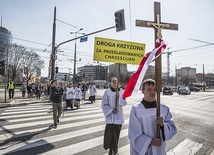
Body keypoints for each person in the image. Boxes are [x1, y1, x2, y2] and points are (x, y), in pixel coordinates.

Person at [128, 78, 177, 155]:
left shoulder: (163, 109)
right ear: (143, 91)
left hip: (159, 150)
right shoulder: (136, 110)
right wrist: (150, 141)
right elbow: (134, 133)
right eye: (149, 89)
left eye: (154, 89)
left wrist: (163, 125)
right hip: (143, 151)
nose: (152, 92)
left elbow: (172, 128)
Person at [101, 77, 127, 155]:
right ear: (110, 83)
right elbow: (104, 104)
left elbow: (124, 103)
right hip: (110, 117)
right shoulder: (107, 92)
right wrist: (111, 110)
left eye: (116, 81)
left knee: (116, 134)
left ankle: (114, 150)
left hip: (118, 117)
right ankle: (112, 149)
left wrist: (119, 98)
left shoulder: (122, 92)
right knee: (111, 134)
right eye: (113, 81)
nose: (114, 82)